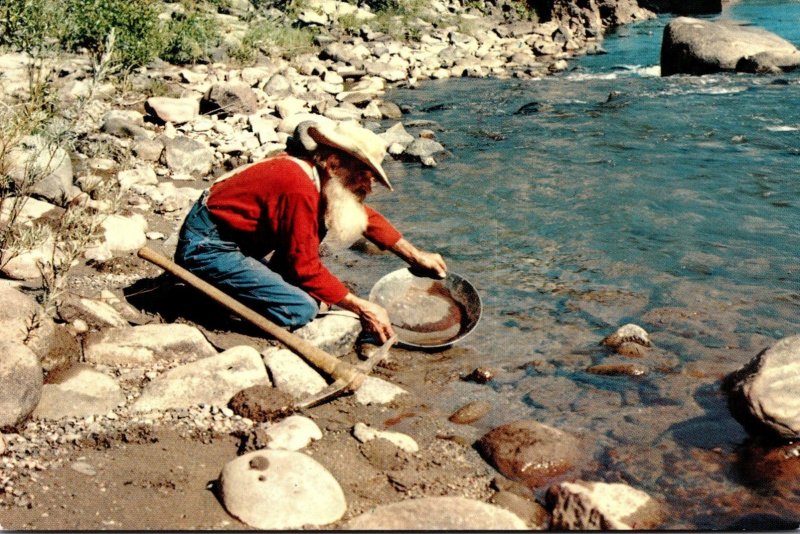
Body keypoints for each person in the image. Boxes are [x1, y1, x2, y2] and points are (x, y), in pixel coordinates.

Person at [175, 119, 447, 343]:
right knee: (300, 309)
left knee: (318, 282)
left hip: (236, 239)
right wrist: (361, 306)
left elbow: (364, 216)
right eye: (364, 174)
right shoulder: (298, 186)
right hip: (207, 246)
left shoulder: (319, 176)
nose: (369, 185)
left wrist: (414, 256)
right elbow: (304, 266)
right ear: (334, 162)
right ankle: (205, 299)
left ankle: (237, 284)